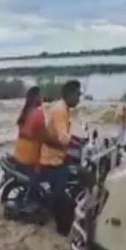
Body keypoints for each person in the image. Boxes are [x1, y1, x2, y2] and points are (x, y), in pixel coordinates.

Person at [39, 80, 82, 215]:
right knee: (60, 187)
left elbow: (65, 134)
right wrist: (76, 144)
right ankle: (53, 213)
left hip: (58, 154)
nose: (79, 99)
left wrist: (79, 140)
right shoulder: (60, 110)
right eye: (77, 95)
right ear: (69, 95)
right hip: (51, 158)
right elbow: (63, 138)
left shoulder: (65, 109)